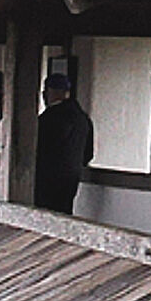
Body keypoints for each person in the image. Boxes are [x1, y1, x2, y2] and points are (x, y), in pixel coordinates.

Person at [35, 73, 94, 214]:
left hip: (45, 181)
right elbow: (88, 154)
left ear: (48, 92)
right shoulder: (83, 119)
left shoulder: (48, 119)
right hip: (71, 179)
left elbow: (37, 150)